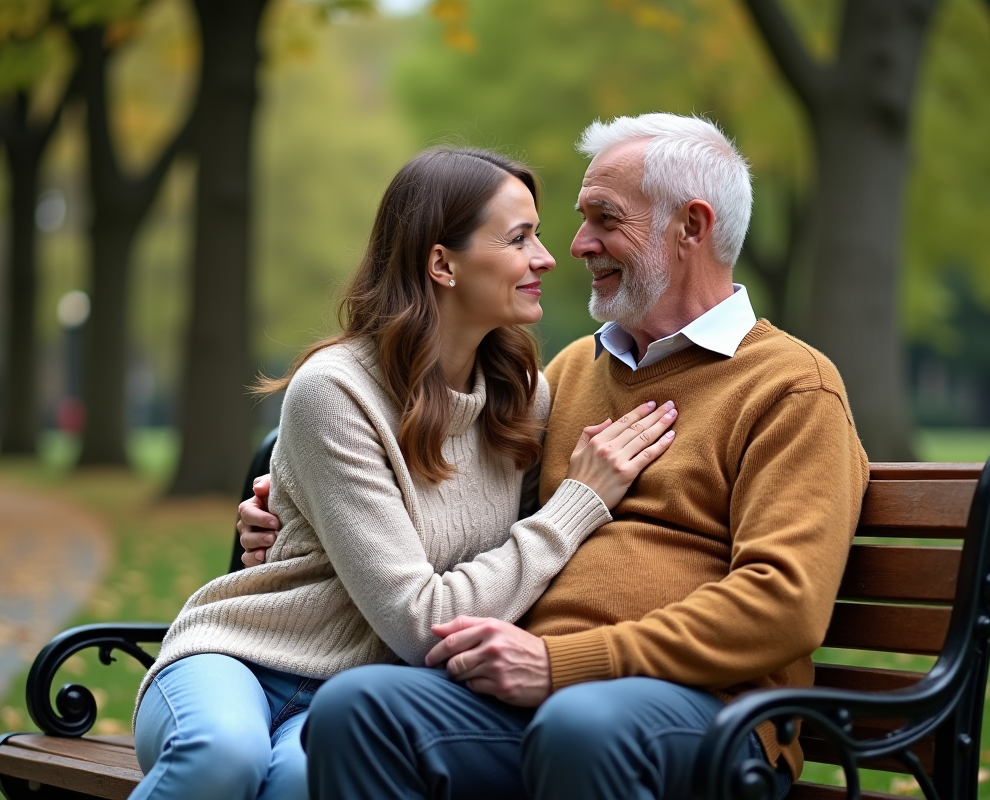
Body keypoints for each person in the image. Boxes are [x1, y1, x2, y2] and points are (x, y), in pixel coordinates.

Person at [241, 114, 870, 800]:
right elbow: (461, 500)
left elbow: (785, 604)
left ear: (692, 227)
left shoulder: (791, 388)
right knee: (359, 708)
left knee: (581, 723)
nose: (574, 245)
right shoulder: (570, 374)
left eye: (604, 218)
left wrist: (563, 663)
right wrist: (291, 508)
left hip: (711, 715)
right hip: (533, 699)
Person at [130, 146, 680, 800]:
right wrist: (580, 502)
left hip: (355, 707)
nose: (546, 257)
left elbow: (525, 575)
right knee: (220, 756)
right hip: (242, 660)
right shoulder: (335, 391)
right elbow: (425, 623)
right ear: (442, 263)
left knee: (301, 783)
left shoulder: (524, 398)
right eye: (519, 238)